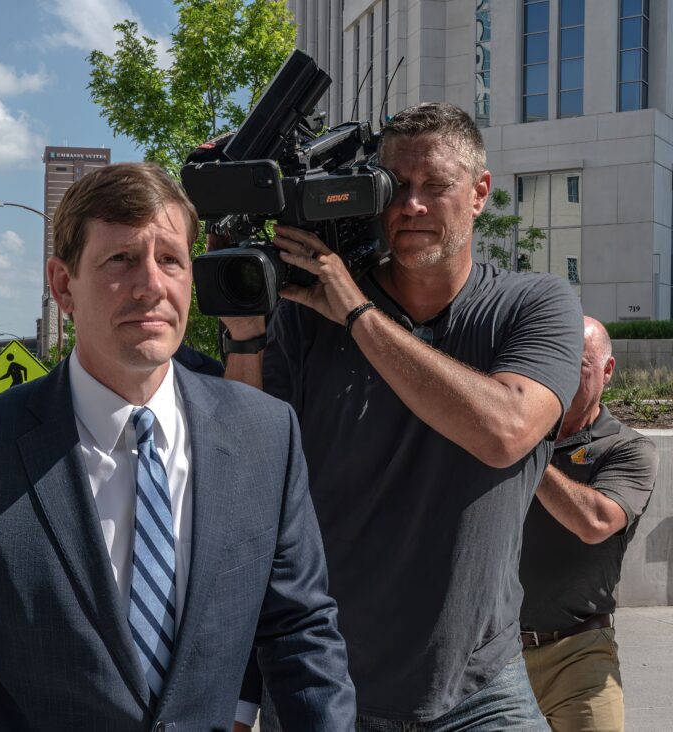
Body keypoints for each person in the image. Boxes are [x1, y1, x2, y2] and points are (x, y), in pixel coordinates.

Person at [0, 162, 356, 731]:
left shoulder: (266, 433)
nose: (151, 286)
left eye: (170, 260)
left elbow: (301, 635)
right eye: (121, 259)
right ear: (64, 285)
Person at [222, 102, 583, 729]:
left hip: (479, 686)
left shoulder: (534, 303)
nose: (412, 205)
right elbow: (248, 467)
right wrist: (246, 336)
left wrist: (359, 315)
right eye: (395, 185)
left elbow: (505, 432)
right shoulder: (307, 309)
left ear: (479, 193)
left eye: (435, 185)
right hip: (323, 680)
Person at [519, 317, 657, 730]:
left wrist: (524, 449)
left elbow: (595, 521)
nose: (560, 374)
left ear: (607, 370)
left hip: (580, 653)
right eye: (554, 359)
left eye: (576, 363)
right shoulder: (519, 436)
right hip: (496, 654)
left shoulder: (627, 448)